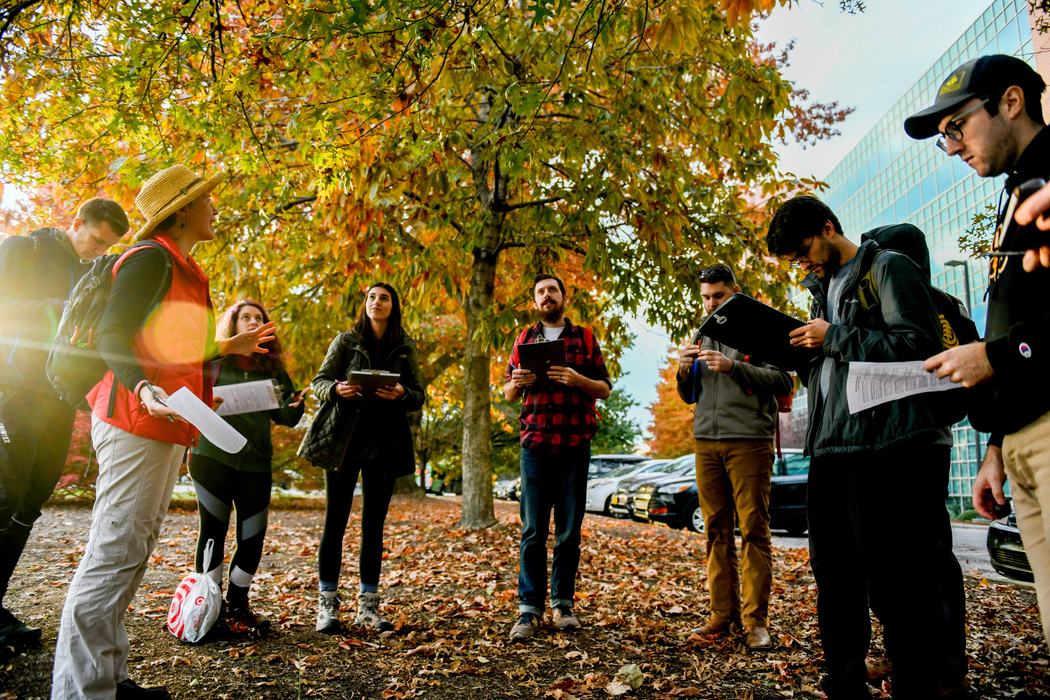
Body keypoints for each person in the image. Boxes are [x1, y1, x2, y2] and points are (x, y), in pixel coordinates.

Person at [51, 165, 275, 700]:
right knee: (115, 549)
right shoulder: (151, 258)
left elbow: (169, 351)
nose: (214, 207)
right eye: (206, 201)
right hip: (135, 419)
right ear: (180, 212)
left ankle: (107, 677)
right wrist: (143, 388)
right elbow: (113, 333)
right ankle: (82, 691)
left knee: (134, 545)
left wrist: (225, 351)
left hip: (162, 422)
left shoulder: (181, 267)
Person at [766, 195, 957, 699]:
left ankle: (917, 683)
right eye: (791, 259)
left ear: (828, 227)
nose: (799, 263)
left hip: (884, 446)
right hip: (829, 448)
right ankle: (845, 684)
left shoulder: (888, 268)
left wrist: (834, 336)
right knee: (834, 578)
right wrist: (799, 351)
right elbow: (833, 366)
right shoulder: (821, 288)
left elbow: (919, 347)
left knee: (895, 582)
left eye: (802, 249)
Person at [906, 55, 1050, 649]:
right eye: (944, 140)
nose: (954, 147)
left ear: (1010, 102)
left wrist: (993, 356)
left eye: (957, 128)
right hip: (1023, 441)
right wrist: (996, 445)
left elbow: (1018, 340)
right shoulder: (1015, 194)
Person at [0, 199, 128, 649]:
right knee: (4, 498)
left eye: (107, 246)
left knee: (30, 503)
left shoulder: (89, 273)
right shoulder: (23, 250)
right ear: (76, 224)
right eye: (95, 240)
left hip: (57, 402)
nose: (98, 251)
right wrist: (63, 307)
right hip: (10, 393)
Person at [675, 263, 791, 650]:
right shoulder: (700, 332)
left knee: (754, 531)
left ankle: (755, 621)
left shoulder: (759, 328)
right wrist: (682, 370)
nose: (710, 304)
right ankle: (721, 615)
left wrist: (734, 368)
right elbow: (690, 394)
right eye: (706, 298)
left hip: (749, 442)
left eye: (718, 297)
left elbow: (783, 380)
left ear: (735, 292)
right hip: (705, 442)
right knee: (714, 531)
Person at [298, 282, 425, 634]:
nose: (376, 301)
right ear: (365, 303)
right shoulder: (346, 341)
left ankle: (368, 606)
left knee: (374, 527)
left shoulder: (404, 346)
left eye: (384, 297)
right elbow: (320, 382)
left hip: (384, 445)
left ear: (393, 305)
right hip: (344, 442)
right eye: (371, 297)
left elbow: (418, 394)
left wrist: (400, 392)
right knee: (334, 522)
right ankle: (327, 606)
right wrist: (338, 389)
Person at [504, 273, 611, 641]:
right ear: (535, 302)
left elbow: (605, 389)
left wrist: (575, 379)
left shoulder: (585, 338)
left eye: (552, 290)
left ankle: (563, 603)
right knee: (533, 530)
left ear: (563, 296)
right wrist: (517, 383)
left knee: (568, 532)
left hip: (574, 444)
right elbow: (507, 393)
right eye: (540, 292)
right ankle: (528, 610)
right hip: (534, 444)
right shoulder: (524, 339)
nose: (546, 296)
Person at [187, 300, 305, 633]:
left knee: (253, 538)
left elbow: (285, 416)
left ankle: (238, 606)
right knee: (213, 532)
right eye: (246, 318)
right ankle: (208, 609)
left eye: (259, 318)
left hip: (255, 463)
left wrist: (296, 405)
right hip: (211, 456)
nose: (253, 322)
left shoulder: (272, 368)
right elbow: (187, 396)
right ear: (233, 324)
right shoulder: (214, 359)